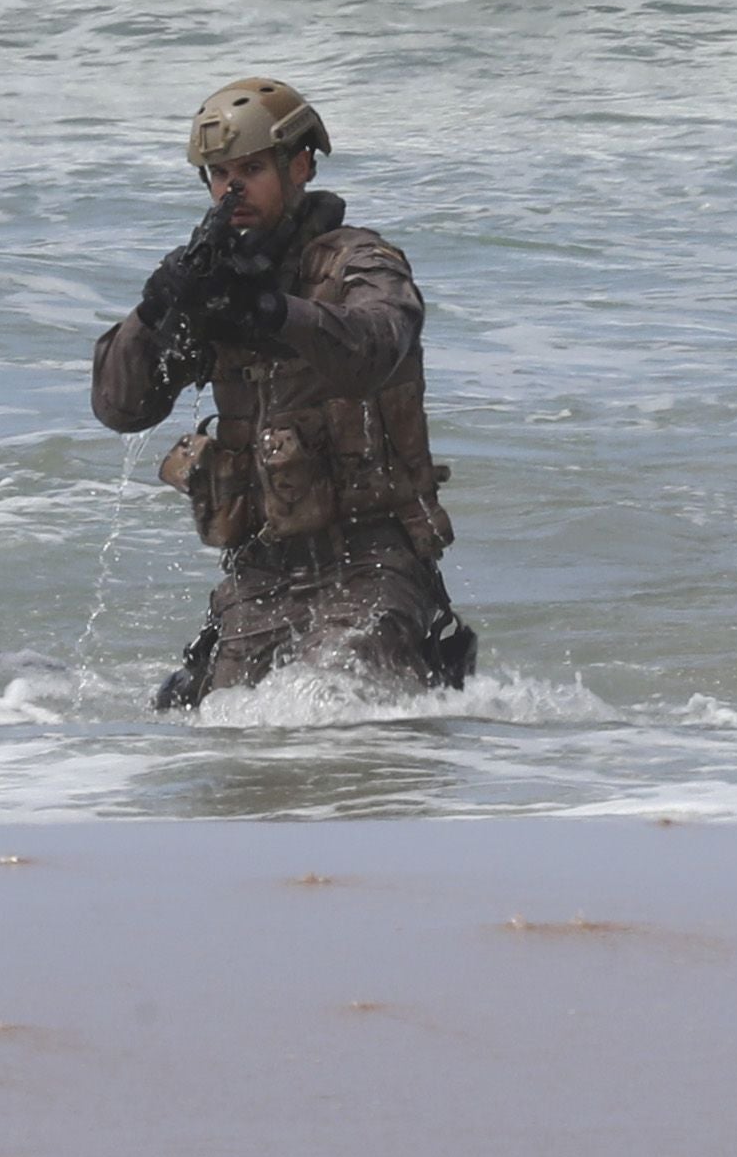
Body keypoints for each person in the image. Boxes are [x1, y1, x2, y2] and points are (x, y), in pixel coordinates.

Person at [89, 76, 470, 708]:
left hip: (371, 565)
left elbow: (376, 345)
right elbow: (121, 406)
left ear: (300, 166)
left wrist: (272, 312)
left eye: (250, 170)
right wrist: (156, 313)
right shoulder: (213, 278)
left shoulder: (360, 262)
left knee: (334, 713)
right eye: (217, 175)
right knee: (230, 741)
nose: (230, 190)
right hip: (259, 577)